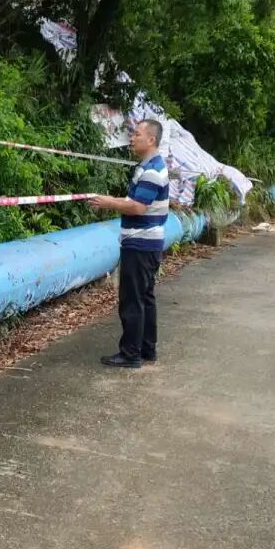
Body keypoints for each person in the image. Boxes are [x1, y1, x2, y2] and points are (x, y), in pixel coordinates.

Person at [90, 119, 170, 369]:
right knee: (145, 297)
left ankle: (130, 353)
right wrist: (113, 201)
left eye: (136, 134)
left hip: (140, 243)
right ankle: (147, 349)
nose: (132, 139)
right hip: (146, 243)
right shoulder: (147, 167)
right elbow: (134, 201)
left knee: (132, 299)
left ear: (151, 140)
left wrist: (108, 203)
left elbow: (137, 207)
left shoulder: (152, 171)